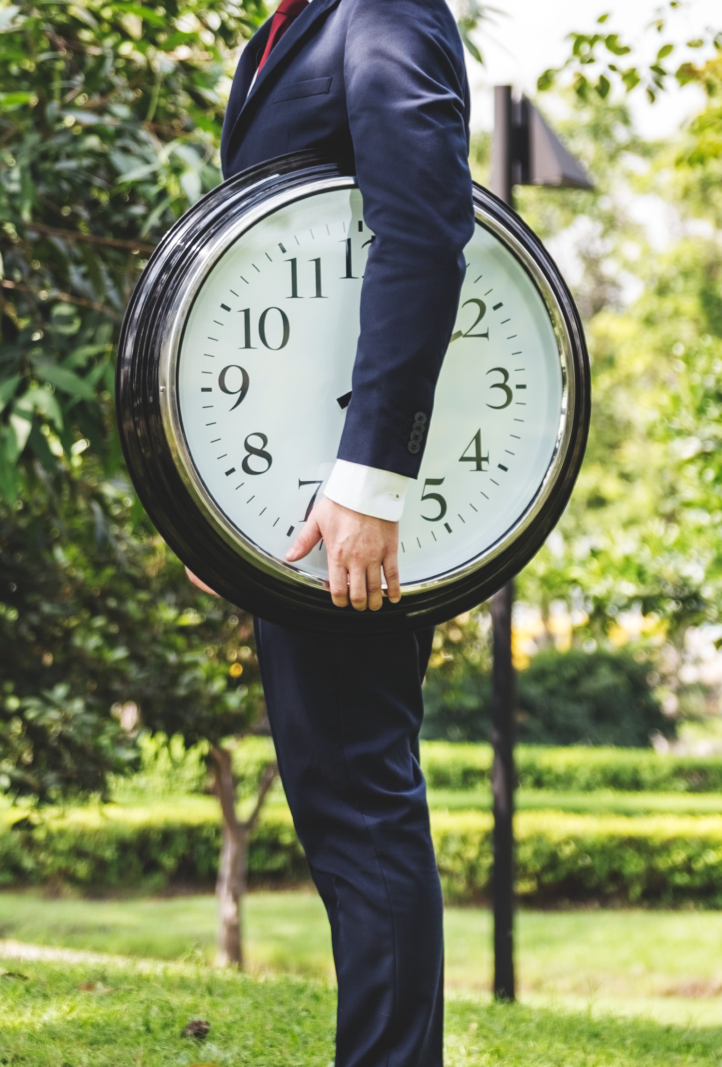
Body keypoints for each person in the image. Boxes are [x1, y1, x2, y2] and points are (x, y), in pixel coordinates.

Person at [186, 2, 474, 1065]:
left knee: (360, 798)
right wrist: (207, 498)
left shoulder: (382, 11)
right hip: (293, 494)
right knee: (343, 796)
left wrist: (373, 477)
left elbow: (423, 233)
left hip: (350, 494)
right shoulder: (295, 26)